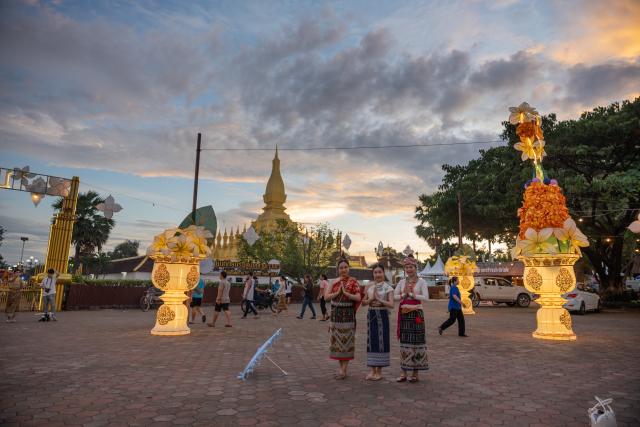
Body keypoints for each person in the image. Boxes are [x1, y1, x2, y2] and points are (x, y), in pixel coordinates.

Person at [394, 254, 429, 383]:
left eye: (411, 267)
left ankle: (415, 373)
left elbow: (426, 297)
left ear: (416, 268)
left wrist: (414, 295)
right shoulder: (402, 281)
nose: (409, 269)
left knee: (417, 343)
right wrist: (404, 294)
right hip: (404, 315)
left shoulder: (422, 282)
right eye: (407, 267)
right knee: (405, 344)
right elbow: (394, 296)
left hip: (416, 315)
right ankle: (403, 372)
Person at [325, 257, 361, 379]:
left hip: (348, 315)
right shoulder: (333, 282)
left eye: (345, 267)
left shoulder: (353, 282)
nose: (343, 269)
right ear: (338, 269)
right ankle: (342, 369)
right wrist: (336, 293)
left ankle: (343, 370)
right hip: (336, 316)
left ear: (349, 268)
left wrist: (346, 294)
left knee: (347, 343)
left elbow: (358, 297)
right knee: (338, 345)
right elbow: (326, 297)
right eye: (341, 268)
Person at [362, 264, 394, 381]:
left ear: (383, 273)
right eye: (375, 272)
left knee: (381, 341)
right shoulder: (369, 286)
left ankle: (379, 371)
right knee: (371, 341)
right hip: (371, 315)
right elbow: (363, 302)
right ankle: (372, 370)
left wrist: (379, 299)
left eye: (380, 272)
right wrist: (370, 299)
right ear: (373, 274)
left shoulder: (388, 287)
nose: (377, 275)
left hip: (382, 315)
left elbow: (391, 304)